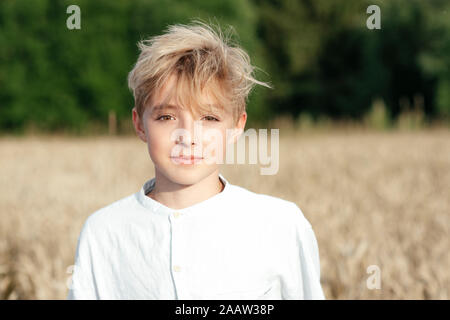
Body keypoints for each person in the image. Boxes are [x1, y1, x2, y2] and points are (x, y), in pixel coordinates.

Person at [67, 19, 325, 300]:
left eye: (209, 118)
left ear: (237, 127)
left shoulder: (281, 225)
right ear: (139, 124)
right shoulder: (103, 232)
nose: (188, 136)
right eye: (166, 117)